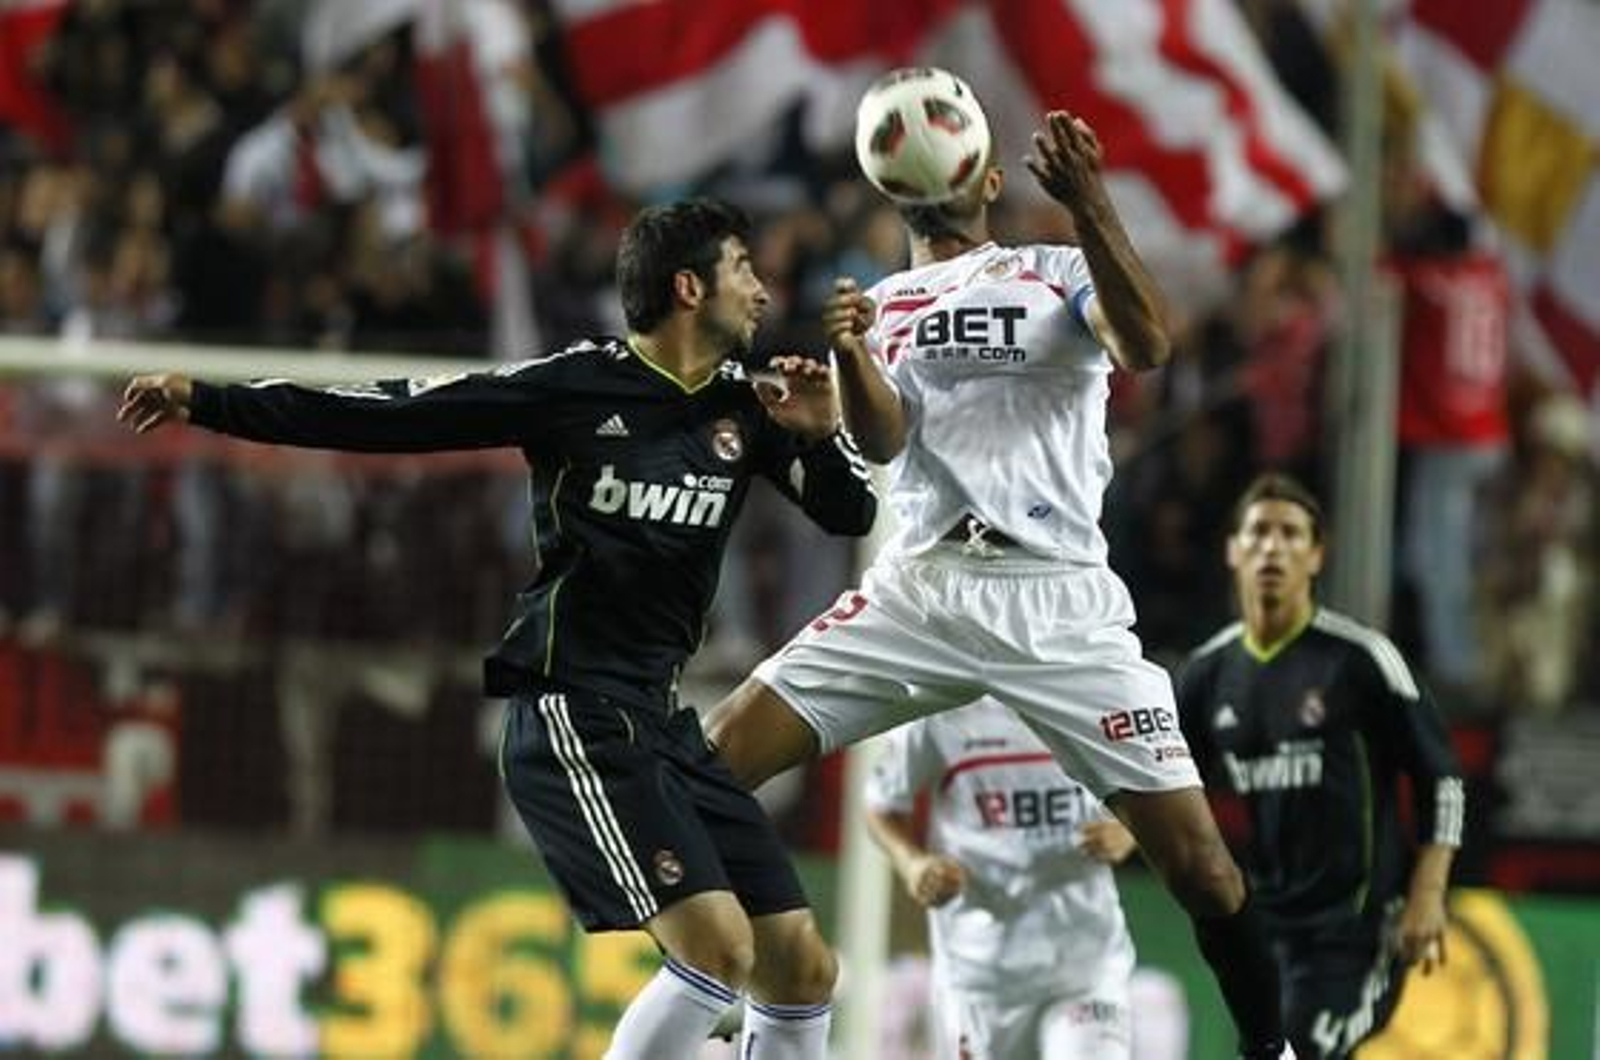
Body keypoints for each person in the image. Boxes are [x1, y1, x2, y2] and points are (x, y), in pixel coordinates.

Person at [116, 198, 877, 1060]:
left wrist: (821, 436)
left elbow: (850, 514)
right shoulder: (576, 386)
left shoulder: (749, 406)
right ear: (689, 288)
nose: (763, 289)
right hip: (572, 712)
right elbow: (388, 415)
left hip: (664, 723)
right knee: (719, 953)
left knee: (802, 968)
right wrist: (210, 402)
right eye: (743, 267)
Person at [707, 73, 1294, 1060]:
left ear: (986, 179)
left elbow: (1146, 344)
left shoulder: (1055, 268)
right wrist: (848, 361)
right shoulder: (883, 303)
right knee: (711, 762)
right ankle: (754, 1009)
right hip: (924, 589)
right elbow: (884, 442)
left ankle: (1274, 1051)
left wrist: (1091, 203)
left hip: (1056, 597)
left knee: (1201, 868)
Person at [1175, 472, 1464, 1059]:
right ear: (1232, 550)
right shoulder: (1208, 674)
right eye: (1258, 532)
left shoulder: (1361, 660)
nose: (1272, 547)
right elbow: (1165, 777)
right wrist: (1124, 828)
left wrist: (1428, 891)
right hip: (1265, 932)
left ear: (1316, 556)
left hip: (1357, 931)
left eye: (1291, 534)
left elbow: (1441, 778)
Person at [864, 697, 1140, 1060]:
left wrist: (1130, 830)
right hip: (981, 974)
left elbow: (1150, 786)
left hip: (1086, 964)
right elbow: (881, 806)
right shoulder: (937, 709)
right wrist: (913, 864)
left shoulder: (1092, 695)